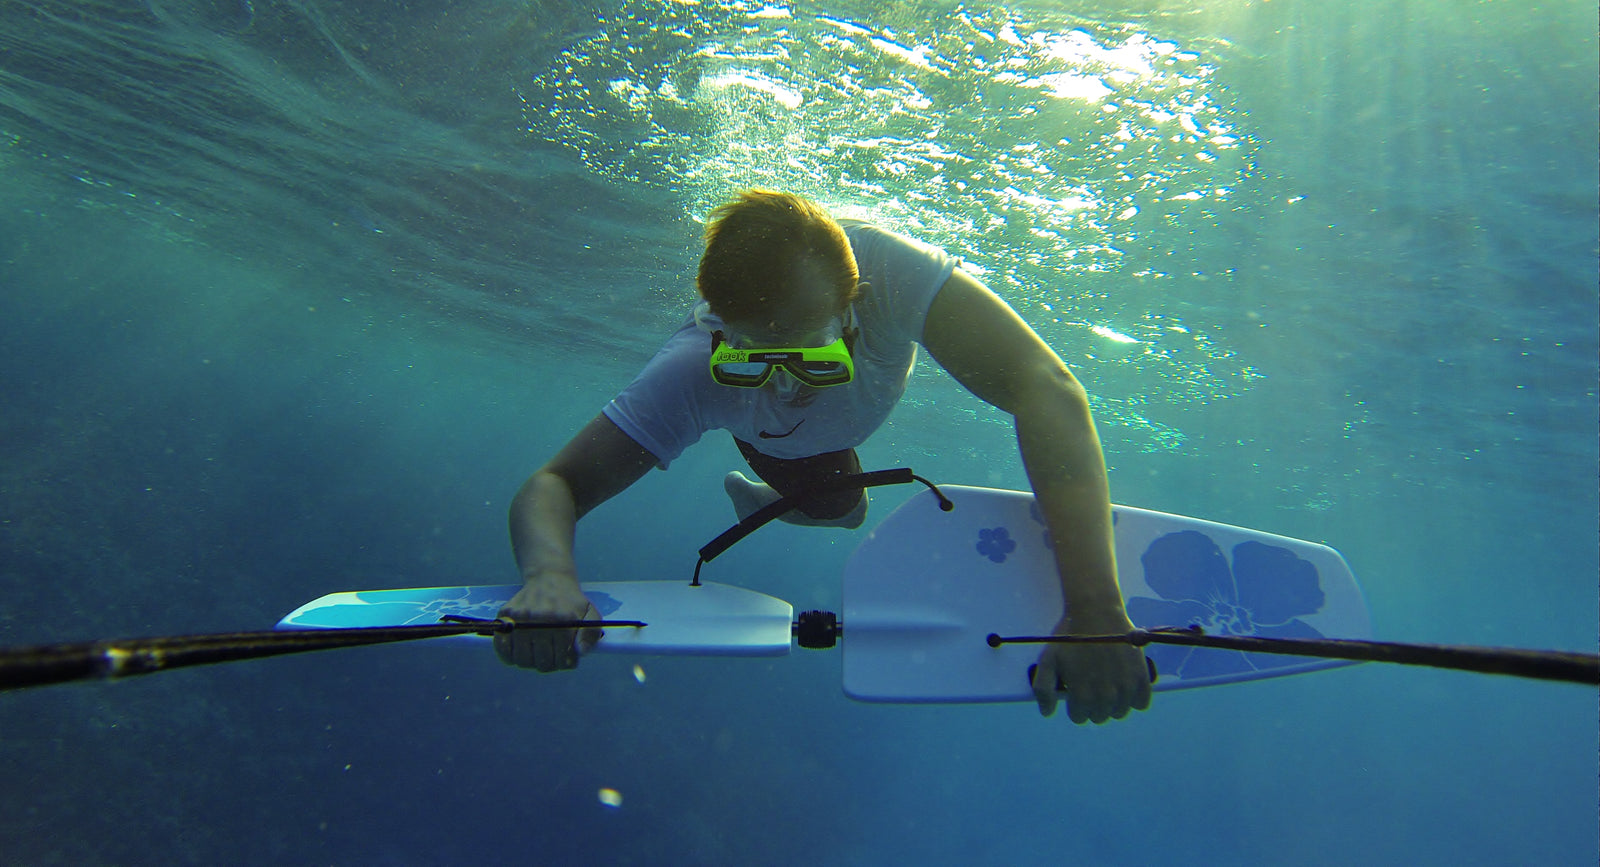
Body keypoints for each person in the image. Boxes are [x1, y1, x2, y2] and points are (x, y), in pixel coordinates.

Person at [496, 189, 1151, 725]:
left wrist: (1094, 605)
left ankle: (767, 502)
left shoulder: (893, 276)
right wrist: (548, 573)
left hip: (828, 441)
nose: (784, 386)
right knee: (840, 503)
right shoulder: (696, 367)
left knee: (843, 504)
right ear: (721, 328)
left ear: (854, 305)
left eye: (811, 358)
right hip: (776, 451)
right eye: (753, 361)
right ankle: (768, 491)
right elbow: (553, 484)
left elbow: (1048, 388)